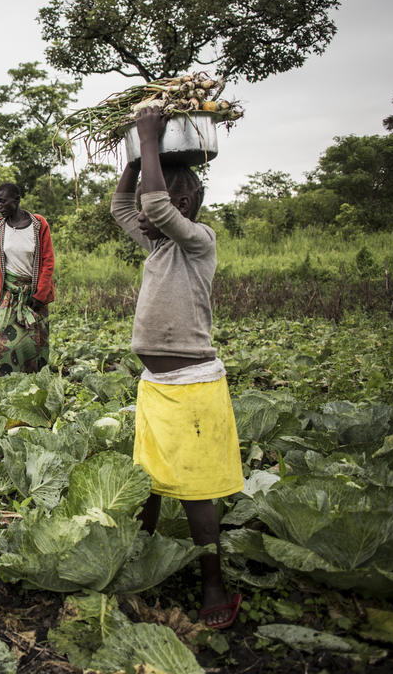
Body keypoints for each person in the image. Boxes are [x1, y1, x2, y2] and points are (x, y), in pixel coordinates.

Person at [110, 107, 245, 629]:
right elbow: (127, 208)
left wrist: (148, 138)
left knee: (195, 490)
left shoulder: (197, 240)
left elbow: (157, 207)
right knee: (149, 480)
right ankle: (142, 558)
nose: (157, 202)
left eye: (172, 193)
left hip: (192, 387)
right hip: (155, 387)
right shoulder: (159, 243)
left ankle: (214, 581)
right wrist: (130, 155)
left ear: (188, 203)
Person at [0, 183, 55, 376]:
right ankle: (4, 383)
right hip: (7, 294)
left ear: (17, 199)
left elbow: (48, 261)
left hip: (33, 294)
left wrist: (39, 295)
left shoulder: (38, 225)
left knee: (34, 342)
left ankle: (33, 383)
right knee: (3, 343)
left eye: (3, 201)